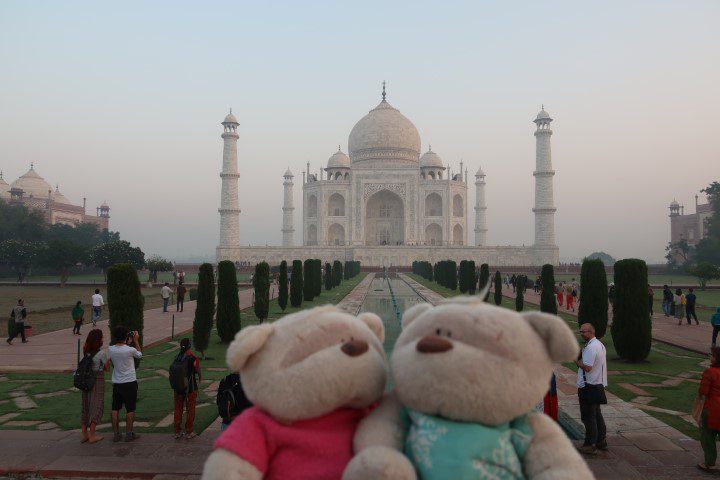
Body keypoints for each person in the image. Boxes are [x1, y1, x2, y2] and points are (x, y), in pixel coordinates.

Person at [575, 323, 608, 455]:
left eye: (583, 332)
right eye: (581, 331)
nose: (581, 333)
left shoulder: (592, 347)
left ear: (591, 332)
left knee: (588, 417)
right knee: (596, 415)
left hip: (589, 386)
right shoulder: (599, 345)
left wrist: (575, 361)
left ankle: (590, 444)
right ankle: (601, 441)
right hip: (596, 385)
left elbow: (587, 367)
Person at [108, 326, 142, 442]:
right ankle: (129, 434)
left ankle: (116, 434)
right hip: (129, 382)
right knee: (130, 409)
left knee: (115, 408)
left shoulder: (111, 349)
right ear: (126, 336)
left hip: (117, 382)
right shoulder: (129, 350)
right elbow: (139, 354)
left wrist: (128, 341)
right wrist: (136, 340)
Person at [81, 329, 108, 444]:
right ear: (98, 339)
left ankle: (84, 435)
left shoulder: (85, 350)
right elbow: (107, 369)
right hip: (97, 380)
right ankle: (92, 435)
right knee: (97, 405)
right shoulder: (101, 353)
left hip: (86, 381)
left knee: (86, 406)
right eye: (102, 337)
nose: (103, 339)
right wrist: (108, 361)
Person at [172, 338, 201, 439]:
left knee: (178, 409)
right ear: (189, 346)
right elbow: (198, 371)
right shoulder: (192, 357)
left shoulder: (177, 357)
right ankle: (189, 432)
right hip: (191, 387)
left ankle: (177, 432)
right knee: (190, 409)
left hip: (177, 388)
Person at [698, 347, 720, 472]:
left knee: (708, 436)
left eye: (712, 355)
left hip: (712, 409)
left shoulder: (710, 372)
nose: (710, 357)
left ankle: (710, 463)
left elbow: (703, 391)